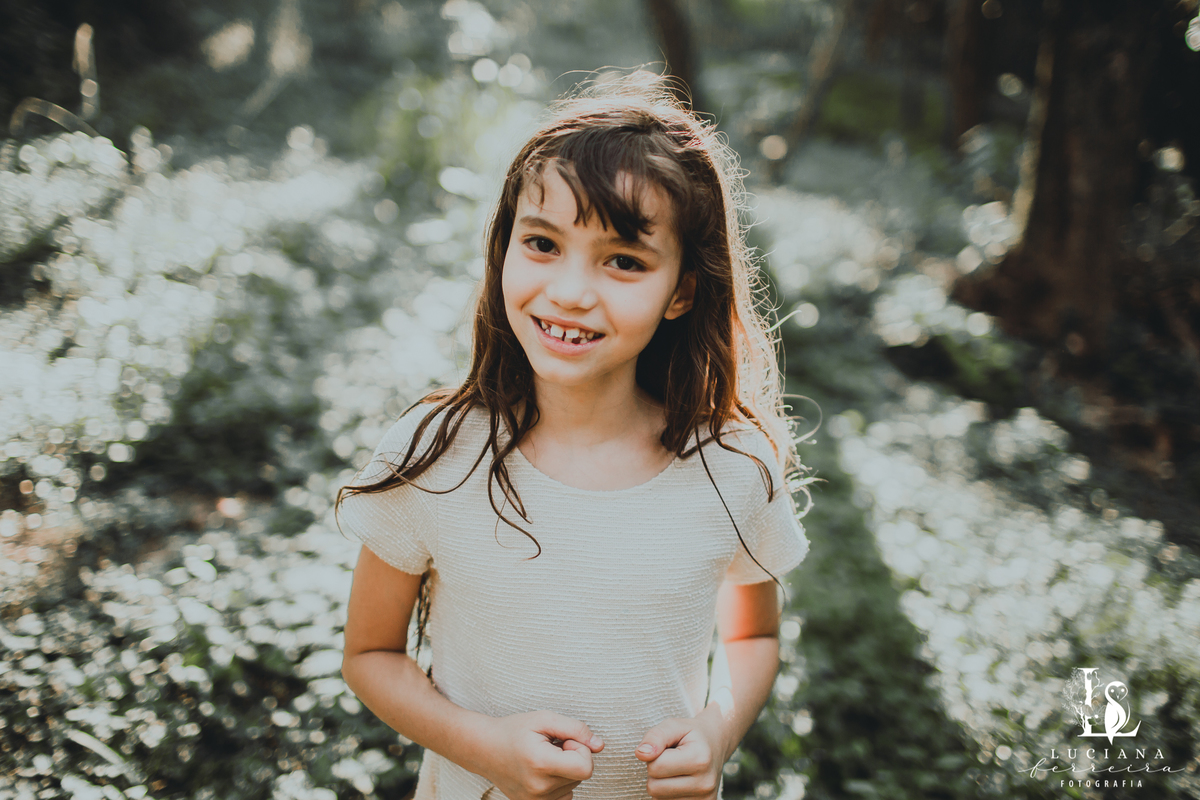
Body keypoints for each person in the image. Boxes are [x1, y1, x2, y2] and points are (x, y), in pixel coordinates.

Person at [336, 71, 811, 800]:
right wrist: (483, 748)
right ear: (504, 248)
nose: (569, 292)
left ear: (682, 289)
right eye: (543, 243)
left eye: (624, 261)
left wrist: (718, 728)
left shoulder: (732, 467)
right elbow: (370, 653)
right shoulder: (436, 453)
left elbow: (753, 636)